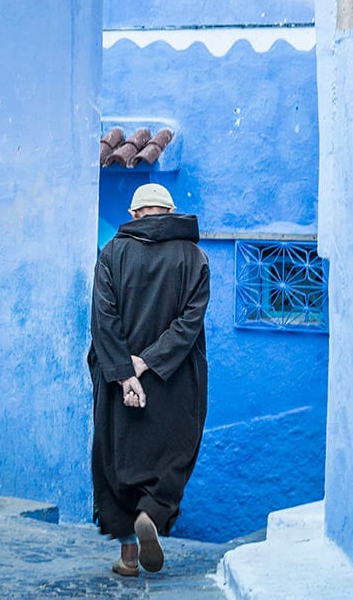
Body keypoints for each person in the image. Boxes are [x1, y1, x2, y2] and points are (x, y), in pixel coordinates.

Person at [87, 183, 210, 577]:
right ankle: (152, 517)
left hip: (115, 380)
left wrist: (124, 373)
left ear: (134, 213)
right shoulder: (194, 258)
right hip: (174, 381)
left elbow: (103, 321)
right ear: (170, 211)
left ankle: (127, 557)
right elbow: (189, 323)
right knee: (173, 456)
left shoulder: (111, 254)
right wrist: (147, 363)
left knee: (116, 461)